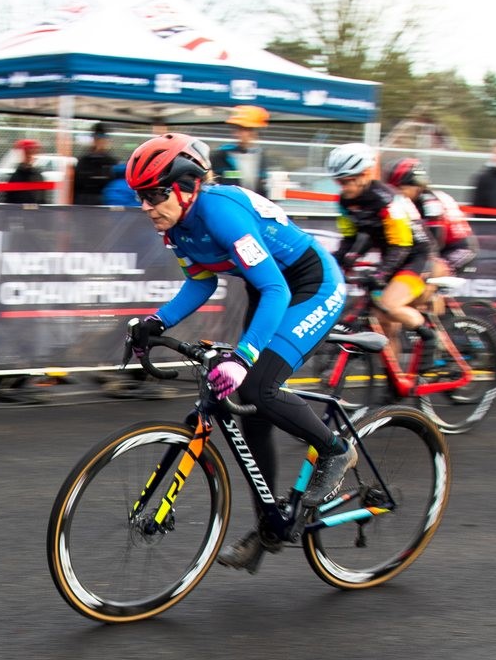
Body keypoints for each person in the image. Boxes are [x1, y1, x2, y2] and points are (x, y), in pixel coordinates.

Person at [124, 133, 353, 574]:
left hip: (309, 286)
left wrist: (244, 355)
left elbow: (276, 289)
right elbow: (202, 281)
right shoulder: (175, 226)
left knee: (257, 384)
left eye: (155, 194)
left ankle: (335, 450)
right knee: (248, 410)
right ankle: (271, 523)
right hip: (268, 289)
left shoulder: (222, 213)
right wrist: (157, 320)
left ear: (187, 186)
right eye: (141, 197)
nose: (148, 206)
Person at [326, 143, 438, 352]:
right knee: (383, 324)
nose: (344, 187)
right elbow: (350, 238)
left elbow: (402, 244)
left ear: (366, 174)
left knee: (390, 304)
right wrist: (336, 261)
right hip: (393, 255)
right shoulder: (345, 200)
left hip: (416, 257)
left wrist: (380, 274)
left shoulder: (386, 200)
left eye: (348, 181)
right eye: (339, 182)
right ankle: (393, 379)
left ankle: (431, 338)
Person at [385, 157, 478, 275]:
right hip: (437, 246)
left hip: (459, 249)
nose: (395, 193)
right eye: (391, 188)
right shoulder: (404, 201)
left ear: (417, 186)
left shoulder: (430, 203)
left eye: (401, 189)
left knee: (425, 271)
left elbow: (434, 245)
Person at [210, 105, 272, 195]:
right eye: (237, 128)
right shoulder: (221, 156)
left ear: (255, 131)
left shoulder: (261, 157)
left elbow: (263, 188)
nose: (239, 133)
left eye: (245, 129)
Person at [71, 123, 118, 205]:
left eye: (102, 139)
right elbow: (77, 186)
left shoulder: (111, 161)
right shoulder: (84, 160)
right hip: (85, 204)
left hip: (104, 203)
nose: (100, 142)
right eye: (97, 139)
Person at [1, 138, 47, 204]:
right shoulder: (15, 178)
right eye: (28, 153)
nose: (31, 156)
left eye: (33, 153)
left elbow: (41, 200)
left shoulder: (38, 176)